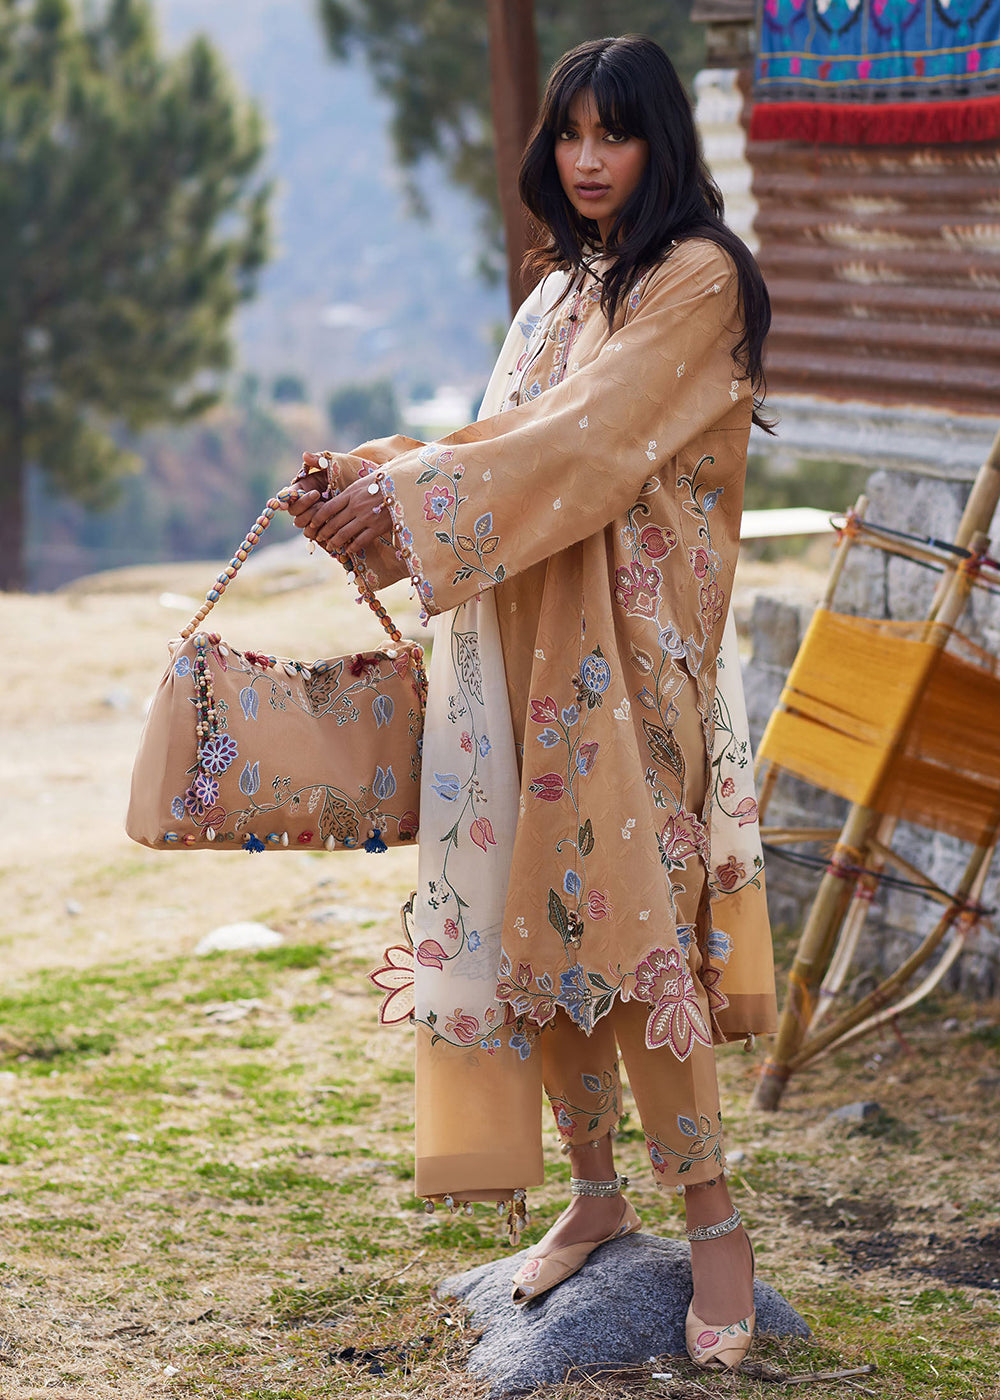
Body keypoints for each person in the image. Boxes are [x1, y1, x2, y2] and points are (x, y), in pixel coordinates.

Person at [287, 34, 777, 1371]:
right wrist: (374, 474)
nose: (588, 159)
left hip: (630, 669)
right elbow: (508, 433)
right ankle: (597, 1193)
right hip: (521, 650)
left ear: (662, 141)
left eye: (615, 133)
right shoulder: (561, 287)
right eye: (570, 134)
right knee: (536, 925)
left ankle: (716, 1228)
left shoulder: (698, 279)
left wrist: (407, 500)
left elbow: (590, 441)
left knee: (632, 933)